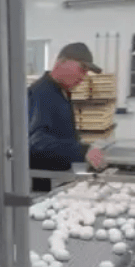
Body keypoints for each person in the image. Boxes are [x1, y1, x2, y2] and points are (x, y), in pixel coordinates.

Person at [28, 42, 106, 191]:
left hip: (59, 177)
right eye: (82, 69)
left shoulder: (61, 92)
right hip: (44, 181)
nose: (83, 77)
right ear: (61, 62)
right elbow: (36, 142)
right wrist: (83, 151)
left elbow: (59, 134)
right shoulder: (41, 93)